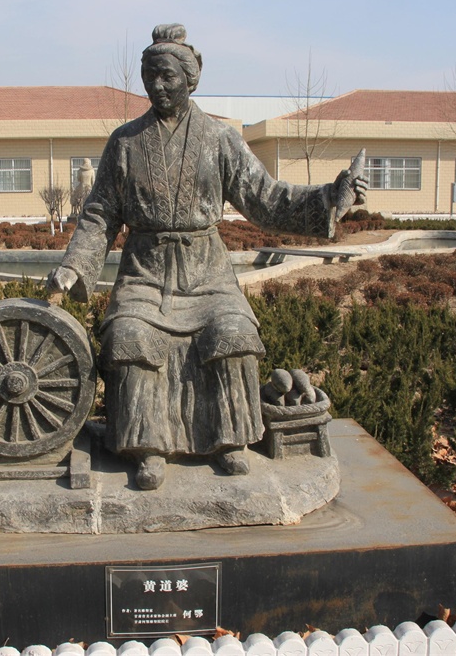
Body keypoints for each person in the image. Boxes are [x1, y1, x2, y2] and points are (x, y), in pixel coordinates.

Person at [47, 24, 366, 490]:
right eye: (149, 76)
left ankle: (228, 440)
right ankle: (147, 448)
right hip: (145, 275)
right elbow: (99, 213)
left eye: (167, 76)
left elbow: (266, 199)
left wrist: (331, 197)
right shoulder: (125, 142)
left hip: (208, 276)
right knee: (131, 337)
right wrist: (75, 264)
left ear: (190, 79)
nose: (157, 85)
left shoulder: (220, 139)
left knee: (232, 332)